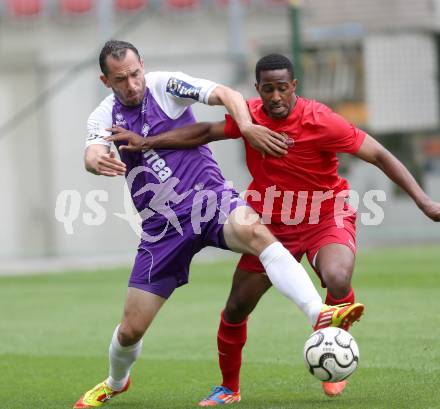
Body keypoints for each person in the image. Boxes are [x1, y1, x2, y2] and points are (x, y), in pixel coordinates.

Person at [109, 53, 440, 404]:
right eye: (268, 89)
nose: (276, 96)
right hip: (271, 221)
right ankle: (229, 388)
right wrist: (148, 142)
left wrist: (424, 201)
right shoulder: (249, 116)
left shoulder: (321, 120)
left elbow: (379, 155)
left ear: (293, 86)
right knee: (237, 306)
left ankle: (332, 350)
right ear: (258, 89)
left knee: (338, 277)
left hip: (325, 214)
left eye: (283, 88)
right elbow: (205, 132)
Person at [73, 42, 364, 408]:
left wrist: (246, 126)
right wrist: (96, 159)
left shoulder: (166, 85)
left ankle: (318, 313)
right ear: (106, 80)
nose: (132, 84)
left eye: (135, 73)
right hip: (162, 227)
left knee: (257, 233)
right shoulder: (103, 116)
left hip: (209, 201)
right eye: (121, 79)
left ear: (142, 66)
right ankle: (116, 382)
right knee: (131, 329)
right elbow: (91, 151)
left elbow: (225, 94)